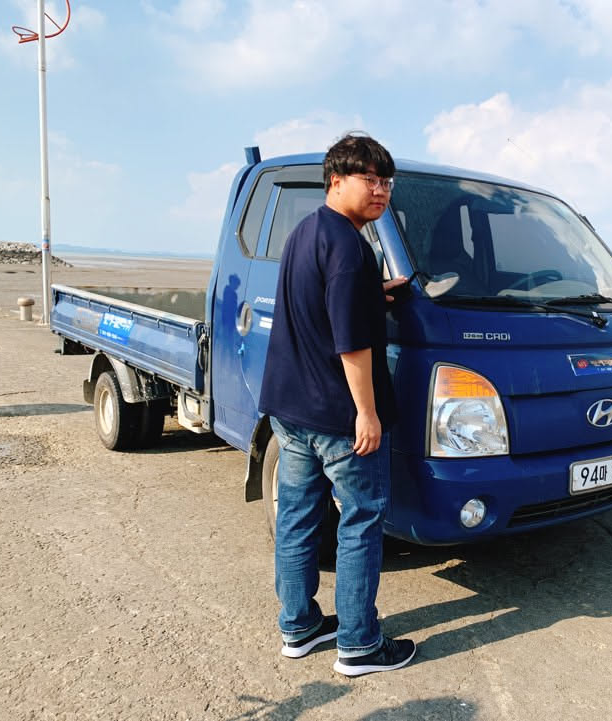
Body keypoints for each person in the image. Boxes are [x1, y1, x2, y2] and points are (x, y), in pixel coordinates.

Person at [258, 133, 414, 677]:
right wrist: (366, 413)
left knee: (298, 518)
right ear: (336, 180)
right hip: (338, 418)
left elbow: (322, 304)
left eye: (386, 181)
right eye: (369, 179)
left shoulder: (308, 232)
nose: (380, 191)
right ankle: (360, 645)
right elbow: (352, 344)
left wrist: (372, 294)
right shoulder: (350, 248)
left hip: (292, 410)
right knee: (361, 522)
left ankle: (298, 626)